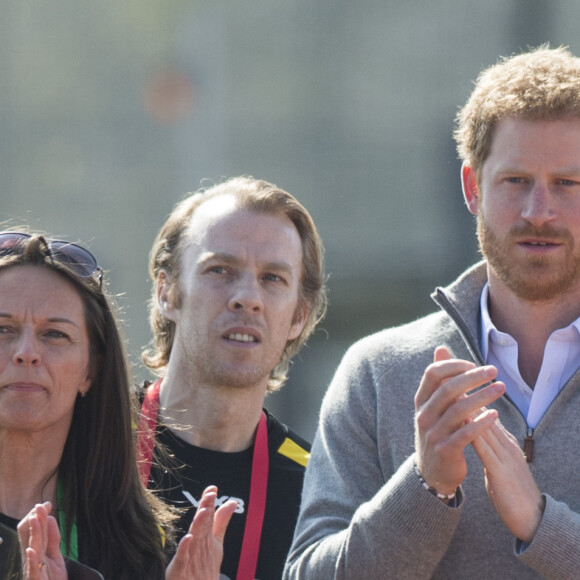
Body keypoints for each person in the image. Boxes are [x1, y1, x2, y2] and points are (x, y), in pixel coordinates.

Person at [284, 45, 580, 580]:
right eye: (516, 181)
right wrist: (425, 487)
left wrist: (541, 524)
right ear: (472, 188)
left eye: (567, 182)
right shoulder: (377, 373)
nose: (541, 211)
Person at [0, 230, 235, 580]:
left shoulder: (140, 549)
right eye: (3, 330)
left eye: (55, 334)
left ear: (90, 370)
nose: (26, 353)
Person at [139, 176, 327, 580]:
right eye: (220, 269)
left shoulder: (320, 489)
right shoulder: (84, 440)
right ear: (167, 292)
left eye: (273, 278)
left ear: (298, 316)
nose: (248, 297)